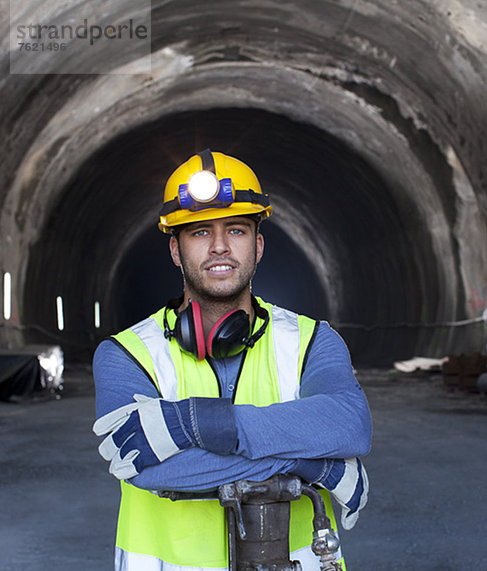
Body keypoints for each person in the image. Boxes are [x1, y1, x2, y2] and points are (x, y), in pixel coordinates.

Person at [92, 149, 372, 570]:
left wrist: (198, 424)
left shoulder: (314, 341)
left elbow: (350, 425)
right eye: (200, 232)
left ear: (258, 246)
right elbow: (144, 467)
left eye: (237, 230)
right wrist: (309, 463)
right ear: (175, 249)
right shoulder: (126, 355)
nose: (220, 246)